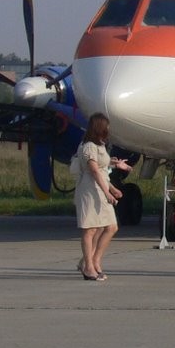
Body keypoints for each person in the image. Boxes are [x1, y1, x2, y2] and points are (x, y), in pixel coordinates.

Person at [73, 113, 125, 281]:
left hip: (100, 188)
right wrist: (108, 193)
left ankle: (95, 260)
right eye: (106, 126)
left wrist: (113, 187)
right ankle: (88, 267)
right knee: (90, 229)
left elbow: (102, 171)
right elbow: (94, 171)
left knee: (110, 227)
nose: (108, 129)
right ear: (99, 127)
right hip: (89, 190)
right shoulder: (88, 146)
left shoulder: (100, 146)